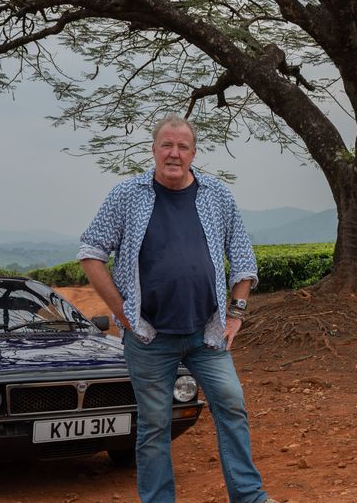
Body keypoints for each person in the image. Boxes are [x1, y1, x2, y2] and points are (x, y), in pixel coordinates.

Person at [78, 114, 277, 503]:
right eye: (166, 145)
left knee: (232, 405)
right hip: (149, 336)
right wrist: (121, 312)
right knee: (153, 426)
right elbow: (91, 252)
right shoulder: (126, 195)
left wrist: (235, 314)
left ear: (193, 153)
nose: (174, 153)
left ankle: (249, 496)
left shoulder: (217, 195)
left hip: (208, 333)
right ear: (153, 150)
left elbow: (243, 259)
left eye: (182, 146)